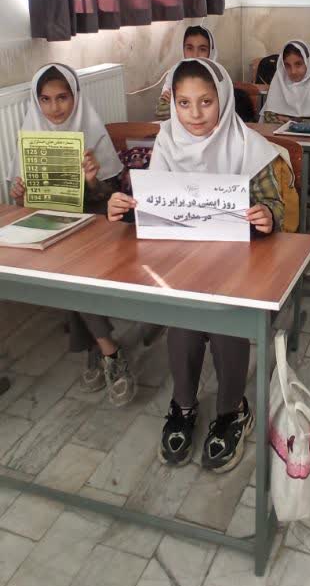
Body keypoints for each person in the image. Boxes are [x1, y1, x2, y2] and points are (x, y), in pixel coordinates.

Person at [108, 59, 284, 471]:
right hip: (181, 264)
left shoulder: (249, 146)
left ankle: (232, 410)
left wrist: (268, 216)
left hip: (237, 263)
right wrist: (124, 208)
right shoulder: (167, 142)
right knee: (183, 326)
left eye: (206, 101)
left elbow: (275, 205)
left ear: (222, 100)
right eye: (184, 103)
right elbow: (152, 205)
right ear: (174, 104)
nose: (195, 114)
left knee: (225, 326)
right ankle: (183, 404)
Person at [9, 63, 137, 404]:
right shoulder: (32, 135)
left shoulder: (92, 131)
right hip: (55, 219)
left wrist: (93, 180)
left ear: (75, 97)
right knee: (62, 264)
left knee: (72, 268)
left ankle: (103, 351)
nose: (55, 108)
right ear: (37, 101)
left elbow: (113, 199)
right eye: (46, 99)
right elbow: (26, 203)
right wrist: (20, 193)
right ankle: (106, 348)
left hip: (96, 219)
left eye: (62, 97)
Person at [156, 25, 217, 118]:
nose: (195, 55)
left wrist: (177, 103)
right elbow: (162, 113)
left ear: (211, 52)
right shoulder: (174, 74)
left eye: (202, 49)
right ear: (182, 49)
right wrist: (168, 106)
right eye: (189, 48)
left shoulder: (218, 78)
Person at [262, 41, 310, 125]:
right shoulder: (278, 85)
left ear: (308, 63)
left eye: (298, 64)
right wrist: (299, 122)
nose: (293, 71)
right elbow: (269, 119)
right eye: (287, 65)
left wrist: (289, 121)